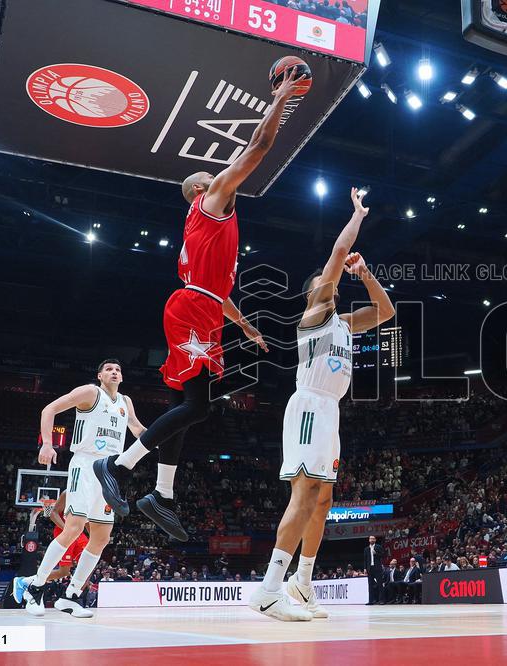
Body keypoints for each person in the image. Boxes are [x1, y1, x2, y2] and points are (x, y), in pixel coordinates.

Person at [92, 69, 305, 540]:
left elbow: (220, 294)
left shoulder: (205, 228)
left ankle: (162, 495)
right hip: (192, 311)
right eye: (215, 179)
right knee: (200, 406)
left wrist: (245, 326)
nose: (225, 180)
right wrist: (280, 103)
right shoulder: (212, 204)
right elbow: (259, 148)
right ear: (200, 191)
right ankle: (120, 467)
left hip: (202, 306)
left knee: (187, 402)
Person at [249, 190, 395, 622]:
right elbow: (337, 250)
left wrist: (366, 273)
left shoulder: (345, 324)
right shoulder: (313, 314)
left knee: (324, 499)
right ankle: (270, 587)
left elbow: (385, 312)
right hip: (310, 406)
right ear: (313, 293)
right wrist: (358, 215)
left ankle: (303, 581)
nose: (330, 285)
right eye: (324, 283)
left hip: (330, 410)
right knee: (305, 492)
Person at [22, 359, 146, 618]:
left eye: (118, 370)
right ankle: (35, 587)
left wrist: (161, 437)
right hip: (85, 464)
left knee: (101, 538)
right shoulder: (90, 392)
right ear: (100, 375)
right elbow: (50, 409)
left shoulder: (126, 402)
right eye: (109, 369)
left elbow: (136, 428)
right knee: (75, 527)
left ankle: (71, 595)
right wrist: (47, 444)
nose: (114, 372)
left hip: (110, 471)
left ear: (122, 377)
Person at [11, 491, 90, 606]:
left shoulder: (93, 495)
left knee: (88, 565)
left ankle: (72, 598)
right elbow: (53, 514)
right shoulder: (69, 492)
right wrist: (67, 531)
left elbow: (88, 520)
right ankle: (24, 581)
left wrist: (95, 538)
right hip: (64, 531)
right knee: (64, 572)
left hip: (79, 533)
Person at [364, 535, 385, 605]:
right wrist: (365, 568)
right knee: (370, 585)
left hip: (377, 568)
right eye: (370, 539)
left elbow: (383, 555)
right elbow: (365, 560)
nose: (372, 540)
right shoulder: (366, 549)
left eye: (373, 539)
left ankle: (381, 600)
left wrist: (376, 554)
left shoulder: (378, 547)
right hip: (370, 568)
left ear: (375, 540)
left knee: (380, 584)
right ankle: (371, 601)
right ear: (369, 540)